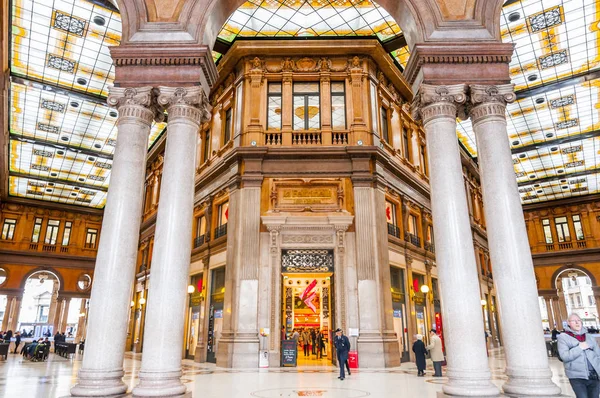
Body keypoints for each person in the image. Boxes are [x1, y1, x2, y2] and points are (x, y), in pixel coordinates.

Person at [557, 313, 600, 398]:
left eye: (579, 320)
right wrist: (579, 348)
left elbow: (598, 355)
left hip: (594, 375)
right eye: (574, 321)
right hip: (577, 376)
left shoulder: (589, 336)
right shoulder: (563, 337)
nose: (577, 322)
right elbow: (564, 356)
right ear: (568, 323)